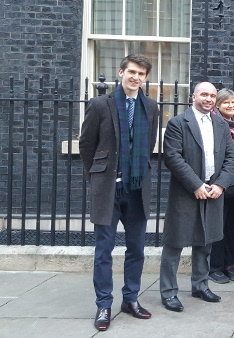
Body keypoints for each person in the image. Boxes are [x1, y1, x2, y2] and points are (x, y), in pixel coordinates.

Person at [79, 54, 159, 331]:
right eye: (132, 72)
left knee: (136, 248)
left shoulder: (150, 106)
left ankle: (130, 299)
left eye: (141, 74)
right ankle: (104, 304)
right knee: (104, 250)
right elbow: (86, 143)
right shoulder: (100, 104)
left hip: (136, 188)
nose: (136, 77)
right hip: (108, 189)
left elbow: (147, 146)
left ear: (145, 78)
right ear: (121, 72)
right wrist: (99, 175)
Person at [159, 82, 234, 313]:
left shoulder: (221, 124)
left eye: (212, 96)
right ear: (193, 96)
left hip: (214, 191)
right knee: (174, 244)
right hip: (186, 192)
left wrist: (221, 184)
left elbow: (231, 156)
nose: (209, 99)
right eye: (204, 94)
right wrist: (195, 185)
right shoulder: (177, 123)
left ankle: (200, 285)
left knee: (205, 243)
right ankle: (169, 292)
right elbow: (173, 157)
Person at [208, 89, 234, 284]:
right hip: (220, 182)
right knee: (218, 226)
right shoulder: (213, 123)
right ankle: (215, 267)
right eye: (226, 103)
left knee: (233, 226)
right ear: (218, 105)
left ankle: (228, 264)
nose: (231, 106)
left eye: (233, 102)